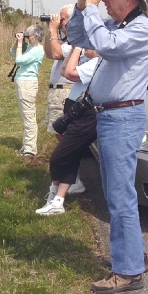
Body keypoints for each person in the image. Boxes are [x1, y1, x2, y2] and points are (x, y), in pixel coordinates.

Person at [66, 0, 148, 294]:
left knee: (120, 198)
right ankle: (133, 256)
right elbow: (77, 37)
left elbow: (105, 45)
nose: (102, 0)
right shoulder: (116, 26)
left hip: (123, 119)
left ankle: (129, 272)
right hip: (110, 118)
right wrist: (81, 8)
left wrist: (91, 10)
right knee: (118, 195)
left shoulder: (141, 30)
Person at [35, 46, 99, 215]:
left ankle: (54, 193)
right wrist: (74, 50)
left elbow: (69, 73)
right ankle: (58, 200)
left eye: (90, 46)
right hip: (75, 108)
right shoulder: (90, 61)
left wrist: (78, 49)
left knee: (59, 157)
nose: (87, 48)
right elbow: (63, 68)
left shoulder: (98, 63)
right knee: (72, 156)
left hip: (86, 115)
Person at [43, 6, 85, 194]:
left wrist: (53, 30)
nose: (59, 22)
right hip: (58, 92)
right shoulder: (67, 40)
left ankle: (72, 179)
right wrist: (49, 31)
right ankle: (69, 177)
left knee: (66, 139)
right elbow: (48, 52)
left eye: (62, 19)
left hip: (67, 92)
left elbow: (56, 53)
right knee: (59, 136)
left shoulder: (78, 41)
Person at [10, 24, 44, 157]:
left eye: (28, 35)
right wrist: (17, 41)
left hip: (28, 84)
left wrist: (20, 43)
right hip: (23, 83)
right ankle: (26, 146)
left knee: (29, 115)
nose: (27, 38)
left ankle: (30, 149)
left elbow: (19, 60)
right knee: (25, 116)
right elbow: (13, 52)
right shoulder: (30, 47)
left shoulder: (38, 50)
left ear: (35, 36)